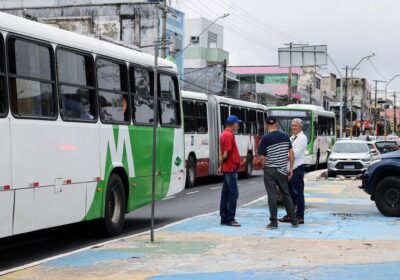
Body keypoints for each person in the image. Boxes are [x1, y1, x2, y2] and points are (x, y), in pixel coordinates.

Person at [258, 116, 298, 229]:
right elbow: (291, 154)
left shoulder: (265, 138)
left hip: (270, 170)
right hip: (282, 170)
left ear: (267, 125)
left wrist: (263, 165)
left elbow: (262, 157)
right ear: (276, 124)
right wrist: (290, 169)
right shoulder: (285, 136)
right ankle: (294, 221)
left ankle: (274, 222)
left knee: (272, 196)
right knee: (286, 195)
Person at [279, 118, 307, 225]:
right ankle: (290, 215)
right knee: (289, 194)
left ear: (301, 127)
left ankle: (300, 216)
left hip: (296, 169)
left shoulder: (302, 138)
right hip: (289, 169)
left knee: (298, 193)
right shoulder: (291, 137)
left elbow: (293, 154)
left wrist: (281, 156)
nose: (293, 127)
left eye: (295, 125)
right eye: (292, 125)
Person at [217, 115, 241, 227]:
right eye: (237, 123)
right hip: (230, 167)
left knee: (225, 194)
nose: (238, 125)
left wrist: (220, 165)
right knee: (233, 194)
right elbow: (226, 153)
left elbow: (223, 153)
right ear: (234, 123)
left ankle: (224, 217)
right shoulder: (229, 135)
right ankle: (230, 218)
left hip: (227, 167)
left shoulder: (223, 134)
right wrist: (222, 163)